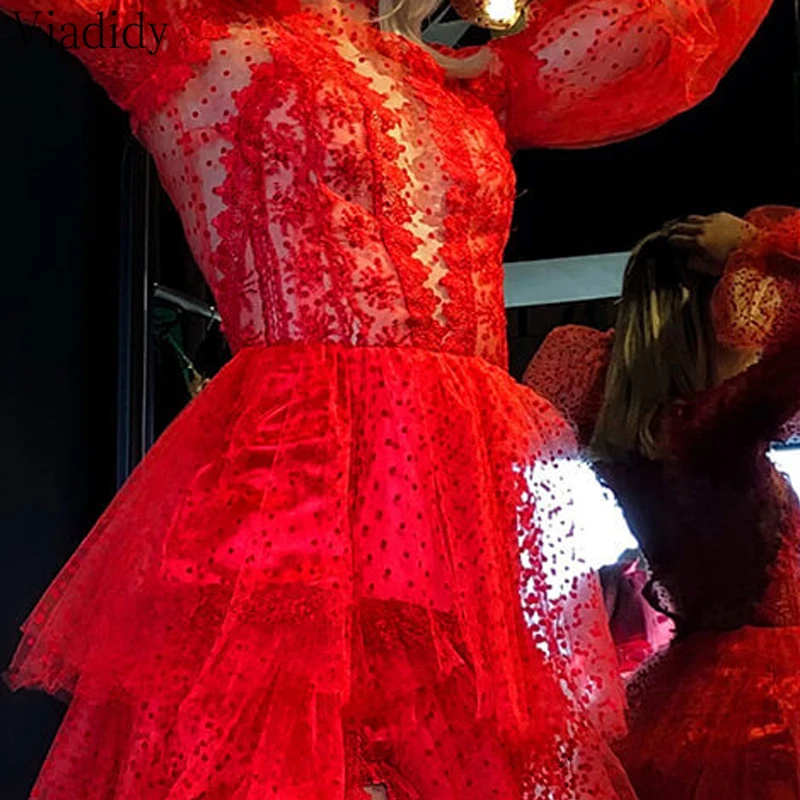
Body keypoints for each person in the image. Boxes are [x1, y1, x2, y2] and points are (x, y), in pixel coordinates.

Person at [1, 0, 774, 796]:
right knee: (282, 744)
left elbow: (671, 31)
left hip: (461, 496)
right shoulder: (179, 36)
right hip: (302, 474)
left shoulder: (474, 79)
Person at [526, 207, 800, 798]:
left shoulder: (626, 443)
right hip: (776, 697)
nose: (757, 328)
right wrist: (754, 249)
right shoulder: (716, 429)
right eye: (742, 309)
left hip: (694, 697)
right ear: (712, 320)